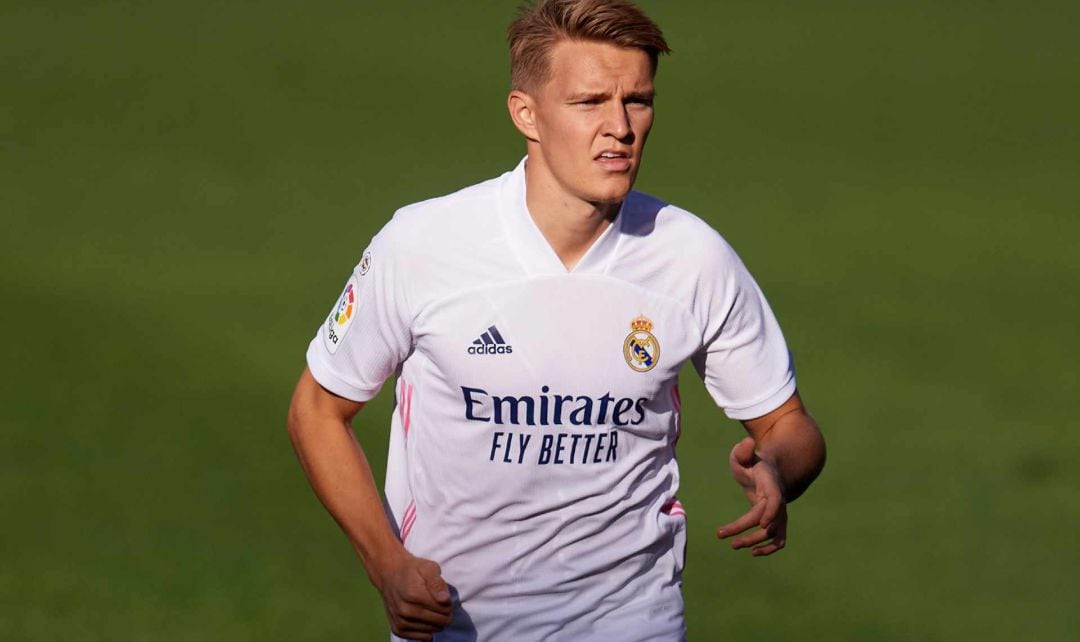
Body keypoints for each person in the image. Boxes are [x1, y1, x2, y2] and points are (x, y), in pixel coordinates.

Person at [287, 0, 826, 640]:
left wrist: (777, 471)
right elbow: (318, 411)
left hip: (633, 621)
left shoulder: (691, 257)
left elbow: (787, 425)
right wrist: (387, 565)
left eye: (638, 101)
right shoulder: (423, 244)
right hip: (459, 628)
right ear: (526, 113)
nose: (620, 127)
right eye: (590, 102)